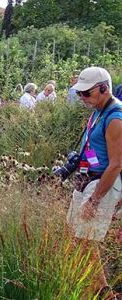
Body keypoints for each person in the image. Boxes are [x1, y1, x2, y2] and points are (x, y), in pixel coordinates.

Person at [65, 66, 122, 298]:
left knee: (85, 240)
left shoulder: (115, 118)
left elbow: (116, 164)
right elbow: (95, 150)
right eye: (79, 93)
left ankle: (103, 294)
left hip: (102, 183)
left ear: (104, 88)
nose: (82, 98)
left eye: (86, 93)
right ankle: (95, 289)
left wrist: (94, 200)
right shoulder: (98, 110)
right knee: (76, 236)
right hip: (87, 178)